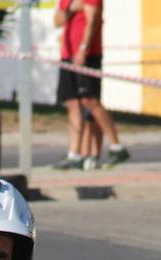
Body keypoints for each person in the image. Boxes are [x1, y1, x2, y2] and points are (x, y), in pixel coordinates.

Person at [50, 0, 128, 171]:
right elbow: (57, 21)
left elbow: (92, 20)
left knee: (90, 101)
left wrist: (83, 49)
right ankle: (74, 154)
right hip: (67, 55)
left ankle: (117, 147)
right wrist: (70, 8)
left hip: (87, 55)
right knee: (72, 103)